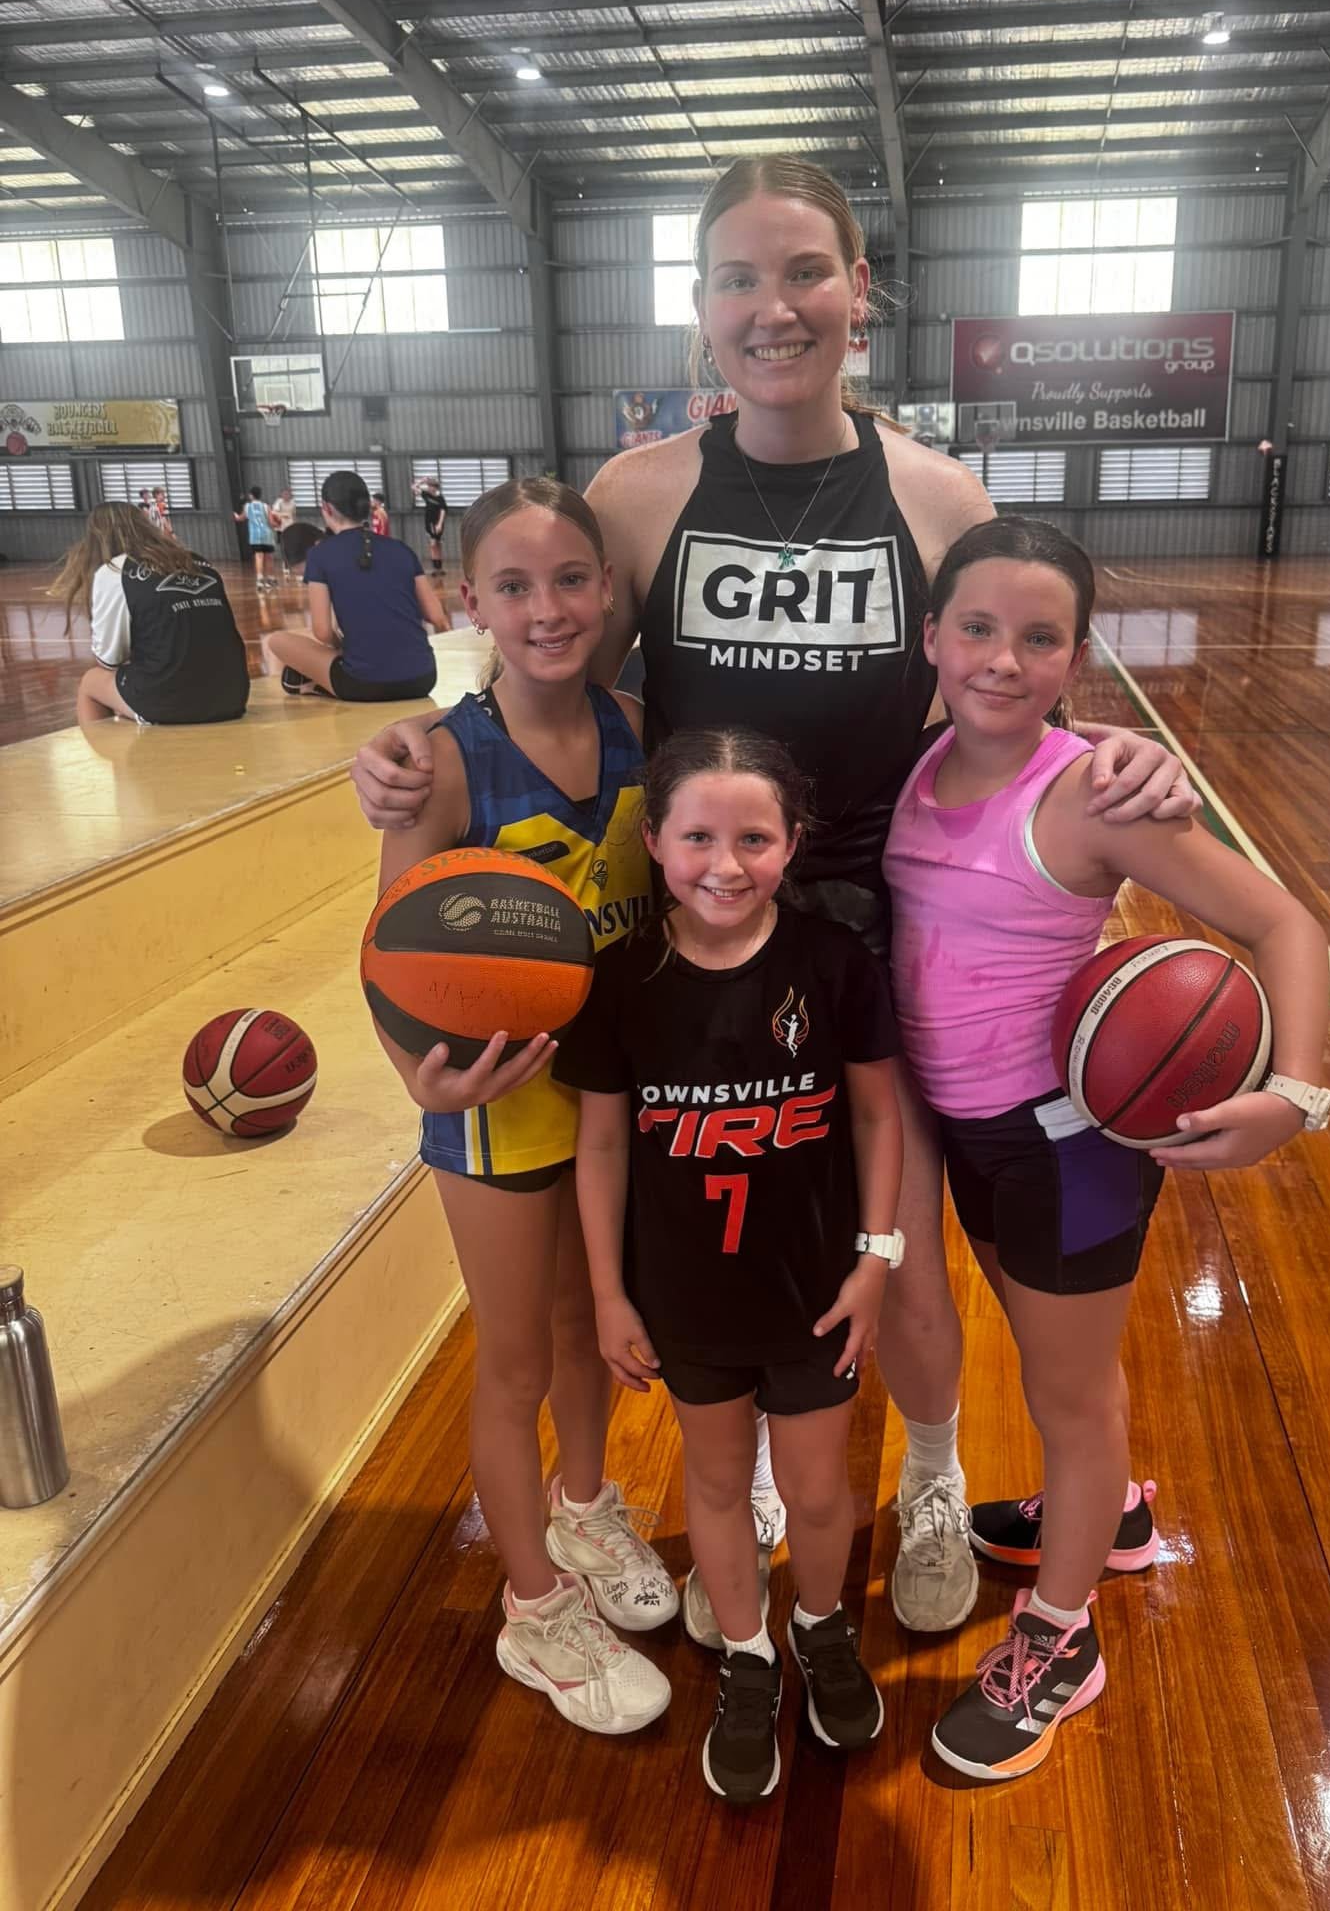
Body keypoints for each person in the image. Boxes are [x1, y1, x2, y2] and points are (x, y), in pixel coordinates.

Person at [343, 155, 1196, 1636]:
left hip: (881, 931)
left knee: (902, 1246)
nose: (774, 306)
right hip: (699, 931)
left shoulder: (933, 491)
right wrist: (420, 754)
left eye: (805, 273)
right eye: (738, 277)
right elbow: (556, 680)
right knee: (703, 1220)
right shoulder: (643, 490)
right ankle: (729, 1474)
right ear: (699, 308)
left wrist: (1113, 763)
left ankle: (930, 1470)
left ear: (860, 293)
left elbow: (1004, 682)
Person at [882, 517, 1330, 1781]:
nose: (1002, 659)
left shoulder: (1091, 792)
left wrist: (1295, 1091)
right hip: (954, 1128)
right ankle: (1112, 1515)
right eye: (977, 627)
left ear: (1076, 658)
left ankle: (1061, 1639)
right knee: (1039, 1375)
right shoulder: (913, 770)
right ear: (932, 637)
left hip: (1061, 1145)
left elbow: (1286, 920)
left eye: (1039, 638)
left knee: (1069, 1396)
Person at [371, 476, 675, 1736]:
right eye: (514, 585)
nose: (546, 608)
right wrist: (418, 1077)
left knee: (578, 1323)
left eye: (569, 580)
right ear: (473, 600)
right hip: (496, 1106)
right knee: (507, 1364)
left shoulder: (643, 723)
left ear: (609, 590)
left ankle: (588, 1503)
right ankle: (536, 1612)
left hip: (607, 1094)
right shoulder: (442, 759)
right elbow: (389, 944)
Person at [556, 729, 903, 1803]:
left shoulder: (834, 963)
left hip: (814, 1291)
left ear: (792, 843)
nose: (724, 861)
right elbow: (604, 1141)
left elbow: (881, 1115)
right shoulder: (621, 979)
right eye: (697, 835)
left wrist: (878, 1258)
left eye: (753, 836)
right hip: (687, 1298)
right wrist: (610, 1291)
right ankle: (749, 1656)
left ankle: (820, 1625)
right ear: (653, 840)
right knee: (714, 1479)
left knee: (813, 1486)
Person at [51, 502, 249, 727]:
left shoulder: (114, 571)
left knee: (91, 682)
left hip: (170, 701)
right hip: (233, 693)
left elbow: (108, 659)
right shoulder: (198, 560)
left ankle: (108, 759)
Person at [262, 469, 447, 701]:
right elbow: (436, 615)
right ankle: (318, 682)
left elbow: (322, 631)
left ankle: (316, 684)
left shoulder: (320, 556)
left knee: (278, 640)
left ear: (327, 509)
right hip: (423, 679)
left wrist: (341, 649)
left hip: (362, 684)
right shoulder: (402, 550)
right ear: (367, 506)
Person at [239, 485, 278, 591]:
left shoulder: (247, 506)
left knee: (259, 557)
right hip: (267, 535)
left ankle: (260, 579)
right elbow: (271, 522)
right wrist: (278, 523)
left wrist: (236, 517)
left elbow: (241, 518)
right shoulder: (266, 506)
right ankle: (271, 579)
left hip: (255, 536)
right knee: (269, 557)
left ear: (251, 495)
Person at [413, 476, 448, 573]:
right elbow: (414, 488)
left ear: (435, 487)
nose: (429, 488)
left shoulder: (440, 498)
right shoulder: (426, 495)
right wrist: (421, 481)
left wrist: (440, 524)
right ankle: (435, 568)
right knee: (432, 544)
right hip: (429, 522)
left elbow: (443, 511)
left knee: (438, 544)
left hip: (437, 523)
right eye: (428, 486)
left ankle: (440, 567)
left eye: (431, 486)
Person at [269, 486, 297, 574]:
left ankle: (292, 562)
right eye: (284, 493)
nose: (286, 495)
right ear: (281, 494)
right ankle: (285, 564)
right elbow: (273, 512)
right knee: (283, 546)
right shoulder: (279, 502)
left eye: (288, 493)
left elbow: (294, 515)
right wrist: (283, 515)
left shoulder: (293, 503)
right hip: (281, 528)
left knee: (291, 546)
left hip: (290, 526)